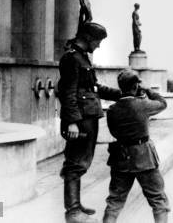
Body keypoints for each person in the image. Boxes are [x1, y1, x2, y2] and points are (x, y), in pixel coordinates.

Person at [57, 22, 121, 223]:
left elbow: (93, 88)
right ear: (88, 38)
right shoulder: (71, 58)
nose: (99, 46)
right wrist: (72, 122)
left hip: (88, 117)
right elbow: (67, 93)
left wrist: (122, 94)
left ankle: (76, 205)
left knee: (81, 161)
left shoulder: (82, 57)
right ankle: (73, 211)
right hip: (80, 120)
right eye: (98, 41)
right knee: (75, 163)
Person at [103, 69, 170, 223]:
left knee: (114, 202)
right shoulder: (143, 104)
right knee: (158, 201)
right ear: (135, 86)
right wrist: (147, 90)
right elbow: (163, 103)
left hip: (121, 157)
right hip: (144, 157)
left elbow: (114, 132)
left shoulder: (112, 110)